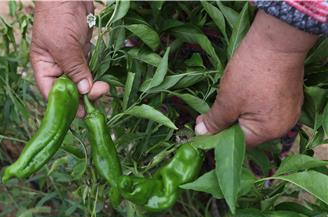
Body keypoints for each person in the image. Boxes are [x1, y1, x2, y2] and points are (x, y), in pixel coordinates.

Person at [30, 1, 327, 147]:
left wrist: (281, 44)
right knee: (151, 64)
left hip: (265, 14)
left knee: (254, 110)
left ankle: (228, 196)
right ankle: (156, 144)